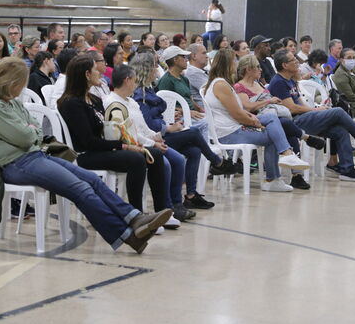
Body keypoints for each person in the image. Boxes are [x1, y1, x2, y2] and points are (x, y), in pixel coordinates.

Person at [0, 58, 172, 254]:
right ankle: (126, 234)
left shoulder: (12, 103)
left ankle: (134, 217)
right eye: (22, 82)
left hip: (35, 156)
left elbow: (35, 131)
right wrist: (29, 131)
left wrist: (29, 131)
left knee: (92, 180)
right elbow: (26, 137)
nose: (23, 86)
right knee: (81, 189)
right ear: (13, 81)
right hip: (15, 163)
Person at [58, 53, 174, 219]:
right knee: (136, 159)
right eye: (96, 70)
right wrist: (124, 146)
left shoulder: (94, 100)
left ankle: (162, 211)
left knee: (154, 154)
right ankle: (136, 215)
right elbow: (88, 141)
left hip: (102, 149)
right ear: (87, 74)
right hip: (84, 155)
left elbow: (106, 131)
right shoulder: (71, 103)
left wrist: (131, 142)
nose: (101, 73)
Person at [269, 49, 355, 183]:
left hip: (304, 118)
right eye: (292, 60)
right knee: (338, 111)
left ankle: (347, 170)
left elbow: (300, 103)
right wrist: (316, 111)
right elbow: (292, 109)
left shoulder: (291, 81)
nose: (296, 62)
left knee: (340, 131)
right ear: (284, 65)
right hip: (292, 123)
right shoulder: (279, 82)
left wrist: (317, 109)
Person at [130, 52, 236, 208]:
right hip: (154, 138)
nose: (156, 69)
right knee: (194, 133)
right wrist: (169, 128)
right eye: (153, 66)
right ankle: (216, 162)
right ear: (146, 69)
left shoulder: (149, 89)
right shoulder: (141, 94)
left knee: (194, 150)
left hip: (161, 131)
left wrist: (171, 115)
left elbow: (154, 116)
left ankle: (191, 195)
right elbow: (147, 124)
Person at [203, 49, 310, 192]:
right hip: (228, 132)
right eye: (234, 61)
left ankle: (286, 156)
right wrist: (254, 122)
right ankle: (275, 174)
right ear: (228, 64)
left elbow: (240, 112)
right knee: (273, 134)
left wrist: (253, 118)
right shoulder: (221, 84)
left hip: (232, 127)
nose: (236, 64)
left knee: (272, 119)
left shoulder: (221, 83)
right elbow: (238, 115)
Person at [103, 65, 185, 226]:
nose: (136, 84)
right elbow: (128, 134)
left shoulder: (131, 101)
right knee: (164, 163)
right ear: (127, 81)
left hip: (145, 141)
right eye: (134, 80)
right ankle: (161, 209)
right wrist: (153, 143)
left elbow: (143, 128)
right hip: (131, 144)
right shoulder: (112, 102)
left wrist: (157, 137)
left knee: (178, 159)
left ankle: (171, 207)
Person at [234, 54, 324, 189]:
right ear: (248, 69)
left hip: (271, 117)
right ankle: (304, 140)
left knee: (285, 127)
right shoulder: (239, 86)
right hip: (255, 120)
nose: (261, 70)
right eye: (258, 67)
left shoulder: (258, 84)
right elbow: (248, 107)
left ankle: (295, 173)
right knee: (284, 125)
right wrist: (269, 100)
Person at [156, 45, 208, 138]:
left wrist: (201, 109)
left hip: (191, 114)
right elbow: (165, 106)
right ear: (175, 60)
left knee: (212, 120)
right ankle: (206, 151)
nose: (186, 60)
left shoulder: (184, 79)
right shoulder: (166, 80)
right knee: (206, 123)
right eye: (183, 57)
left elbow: (190, 99)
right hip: (179, 118)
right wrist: (187, 112)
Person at [185, 43, 209, 108]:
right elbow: (212, 91)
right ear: (194, 56)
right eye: (204, 53)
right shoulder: (193, 73)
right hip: (206, 110)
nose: (207, 56)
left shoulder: (200, 70)